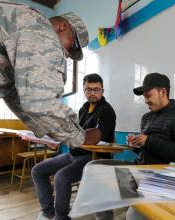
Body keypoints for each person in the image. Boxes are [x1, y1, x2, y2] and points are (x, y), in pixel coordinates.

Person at [0, 0, 96, 219]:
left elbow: (20, 98)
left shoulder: (18, 28)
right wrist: (78, 136)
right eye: (72, 47)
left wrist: (57, 131)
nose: (68, 55)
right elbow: (40, 102)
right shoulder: (41, 30)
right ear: (63, 27)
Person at [93, 72, 175, 220]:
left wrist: (147, 141)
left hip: (162, 177)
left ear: (163, 92)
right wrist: (136, 143)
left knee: (133, 216)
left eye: (148, 95)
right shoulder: (146, 117)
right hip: (139, 170)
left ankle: (136, 203)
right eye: (144, 97)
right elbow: (145, 149)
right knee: (98, 171)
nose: (145, 100)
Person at [32, 73, 116, 220]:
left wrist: (67, 137)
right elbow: (75, 134)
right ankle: (48, 212)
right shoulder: (83, 109)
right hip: (74, 154)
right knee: (37, 171)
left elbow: (94, 140)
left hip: (92, 157)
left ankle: (61, 217)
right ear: (84, 91)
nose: (92, 93)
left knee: (61, 177)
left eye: (96, 89)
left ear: (103, 91)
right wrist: (57, 136)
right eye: (88, 89)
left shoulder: (107, 111)